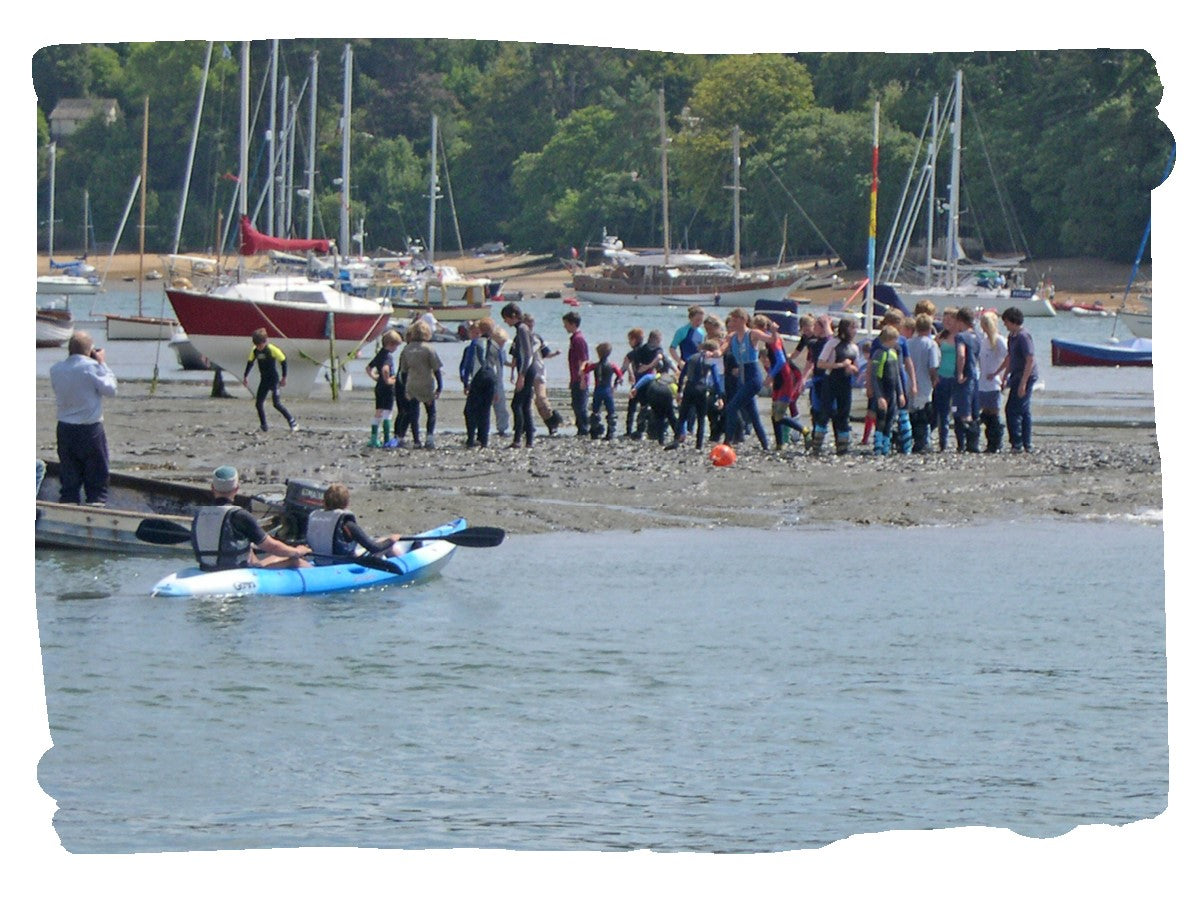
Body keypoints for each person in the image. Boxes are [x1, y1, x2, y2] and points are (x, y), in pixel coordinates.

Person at [192, 466, 310, 571]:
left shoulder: (198, 514)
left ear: (212, 488)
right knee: (294, 560)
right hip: (236, 571)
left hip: (206, 569)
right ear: (237, 488)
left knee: (255, 550)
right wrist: (297, 551)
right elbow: (271, 546)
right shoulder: (240, 515)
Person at [49, 330, 118, 504]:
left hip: (65, 428)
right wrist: (102, 363)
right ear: (90, 350)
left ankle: (69, 508)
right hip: (90, 428)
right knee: (96, 478)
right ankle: (95, 509)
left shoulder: (56, 369)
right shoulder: (91, 367)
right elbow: (111, 390)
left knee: (69, 477)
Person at [305, 483, 406, 560]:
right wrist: (392, 539)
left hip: (321, 562)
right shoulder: (347, 524)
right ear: (346, 503)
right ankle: (405, 565)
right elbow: (374, 548)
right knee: (388, 544)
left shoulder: (314, 517)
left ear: (324, 501)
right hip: (342, 564)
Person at [718, 308, 771, 451]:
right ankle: (766, 445)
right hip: (742, 378)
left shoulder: (752, 334)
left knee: (731, 407)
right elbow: (721, 350)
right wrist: (712, 353)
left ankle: (726, 443)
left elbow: (770, 339)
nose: (732, 323)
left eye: (735, 320)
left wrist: (775, 331)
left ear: (742, 320)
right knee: (753, 414)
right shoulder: (732, 337)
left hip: (753, 377)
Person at [813, 316, 860, 455]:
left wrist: (851, 368)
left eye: (856, 327)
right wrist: (839, 365)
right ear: (845, 328)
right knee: (825, 413)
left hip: (845, 383)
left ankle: (842, 447)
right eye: (852, 327)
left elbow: (856, 369)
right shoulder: (833, 343)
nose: (855, 330)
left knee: (844, 414)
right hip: (831, 380)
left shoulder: (854, 347)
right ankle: (817, 446)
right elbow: (820, 363)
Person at [397, 320, 444, 449]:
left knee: (413, 413)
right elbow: (436, 369)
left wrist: (405, 387)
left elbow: (403, 371)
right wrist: (440, 386)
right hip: (426, 384)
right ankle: (429, 438)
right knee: (431, 412)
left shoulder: (407, 349)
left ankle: (416, 440)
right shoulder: (429, 349)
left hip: (412, 384)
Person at [243, 328, 299, 433]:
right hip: (264, 380)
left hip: (274, 380)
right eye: (257, 345)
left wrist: (284, 377)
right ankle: (264, 426)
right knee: (258, 404)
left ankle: (292, 421)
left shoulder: (272, 349)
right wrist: (245, 376)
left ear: (265, 342)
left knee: (276, 403)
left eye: (260, 345)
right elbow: (250, 362)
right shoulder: (255, 350)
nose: (259, 348)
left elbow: (283, 361)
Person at [1001, 306, 1038, 453]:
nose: (1005, 325)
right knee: (1022, 410)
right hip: (1015, 374)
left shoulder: (1023, 336)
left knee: (1013, 409)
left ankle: (1018, 442)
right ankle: (1025, 443)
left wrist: (1023, 383)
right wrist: (1004, 376)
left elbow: (1030, 360)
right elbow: (1010, 358)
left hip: (1026, 375)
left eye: (1006, 322)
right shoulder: (1011, 337)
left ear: (1013, 321)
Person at [675, 339, 724, 449]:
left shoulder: (691, 357)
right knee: (701, 418)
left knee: (683, 415)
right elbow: (716, 380)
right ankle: (699, 445)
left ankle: (676, 440)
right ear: (712, 350)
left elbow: (682, 375)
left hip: (689, 387)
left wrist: (679, 391)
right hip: (701, 388)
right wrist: (719, 396)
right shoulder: (709, 360)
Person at [501, 302, 538, 447]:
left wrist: (521, 375)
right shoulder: (522, 329)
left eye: (506, 318)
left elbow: (528, 354)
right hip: (528, 369)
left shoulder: (522, 329)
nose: (505, 321)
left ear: (514, 316)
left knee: (517, 404)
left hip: (527, 370)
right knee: (524, 405)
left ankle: (518, 439)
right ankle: (528, 440)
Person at [906, 313, 941, 453]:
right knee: (924, 414)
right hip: (924, 383)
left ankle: (912, 439)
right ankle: (922, 442)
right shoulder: (931, 344)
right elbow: (933, 366)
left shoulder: (908, 343)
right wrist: (935, 379)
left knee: (912, 412)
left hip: (909, 382)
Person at [462, 318, 499, 448]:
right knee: (485, 410)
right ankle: (483, 439)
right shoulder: (494, 344)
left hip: (479, 377)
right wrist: (497, 387)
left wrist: (466, 382)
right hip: (491, 378)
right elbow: (497, 364)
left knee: (470, 410)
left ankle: (471, 438)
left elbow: (469, 364)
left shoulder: (476, 344)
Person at [868, 325, 904, 455]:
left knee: (890, 419)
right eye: (895, 339)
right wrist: (879, 396)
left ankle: (886, 445)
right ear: (889, 339)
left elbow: (897, 375)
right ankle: (878, 444)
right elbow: (875, 377)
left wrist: (900, 393)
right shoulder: (879, 354)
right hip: (882, 392)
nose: (897, 342)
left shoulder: (893, 353)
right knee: (881, 419)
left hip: (892, 392)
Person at [978, 310, 1009, 453]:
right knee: (986, 413)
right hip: (983, 382)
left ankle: (996, 443)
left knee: (994, 413)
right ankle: (990, 442)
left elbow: (1009, 358)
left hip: (994, 382)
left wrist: (998, 373)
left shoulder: (999, 340)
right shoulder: (983, 341)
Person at [952, 307, 982, 453]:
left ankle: (962, 444)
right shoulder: (977, 336)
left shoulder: (961, 337)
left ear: (960, 321)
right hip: (974, 375)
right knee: (973, 410)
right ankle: (974, 443)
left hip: (965, 376)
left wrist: (959, 373)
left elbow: (961, 355)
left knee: (961, 411)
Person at [365, 329, 401, 447]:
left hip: (379, 387)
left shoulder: (379, 353)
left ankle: (374, 438)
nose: (396, 349)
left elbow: (368, 368)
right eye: (396, 346)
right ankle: (386, 439)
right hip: (387, 388)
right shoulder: (388, 356)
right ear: (391, 344)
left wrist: (375, 377)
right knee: (388, 413)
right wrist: (388, 380)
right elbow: (385, 369)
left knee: (378, 412)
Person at [582, 342, 624, 440]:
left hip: (598, 390)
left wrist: (585, 363)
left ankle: (595, 432)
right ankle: (611, 433)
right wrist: (615, 385)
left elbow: (584, 371)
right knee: (611, 412)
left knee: (596, 411)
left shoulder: (595, 365)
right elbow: (620, 375)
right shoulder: (612, 366)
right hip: (608, 390)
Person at [629, 370, 681, 446]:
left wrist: (635, 388)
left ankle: (660, 440)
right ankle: (677, 437)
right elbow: (678, 397)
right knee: (670, 415)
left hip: (652, 390)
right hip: (664, 392)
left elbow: (647, 377)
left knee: (658, 416)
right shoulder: (673, 384)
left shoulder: (659, 376)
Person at [562, 310, 590, 436]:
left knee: (580, 405)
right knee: (576, 404)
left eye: (566, 324)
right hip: (575, 378)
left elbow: (583, 361)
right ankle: (581, 428)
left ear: (573, 324)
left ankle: (584, 428)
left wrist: (583, 379)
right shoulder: (574, 339)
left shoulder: (579, 340)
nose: (565, 327)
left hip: (580, 378)